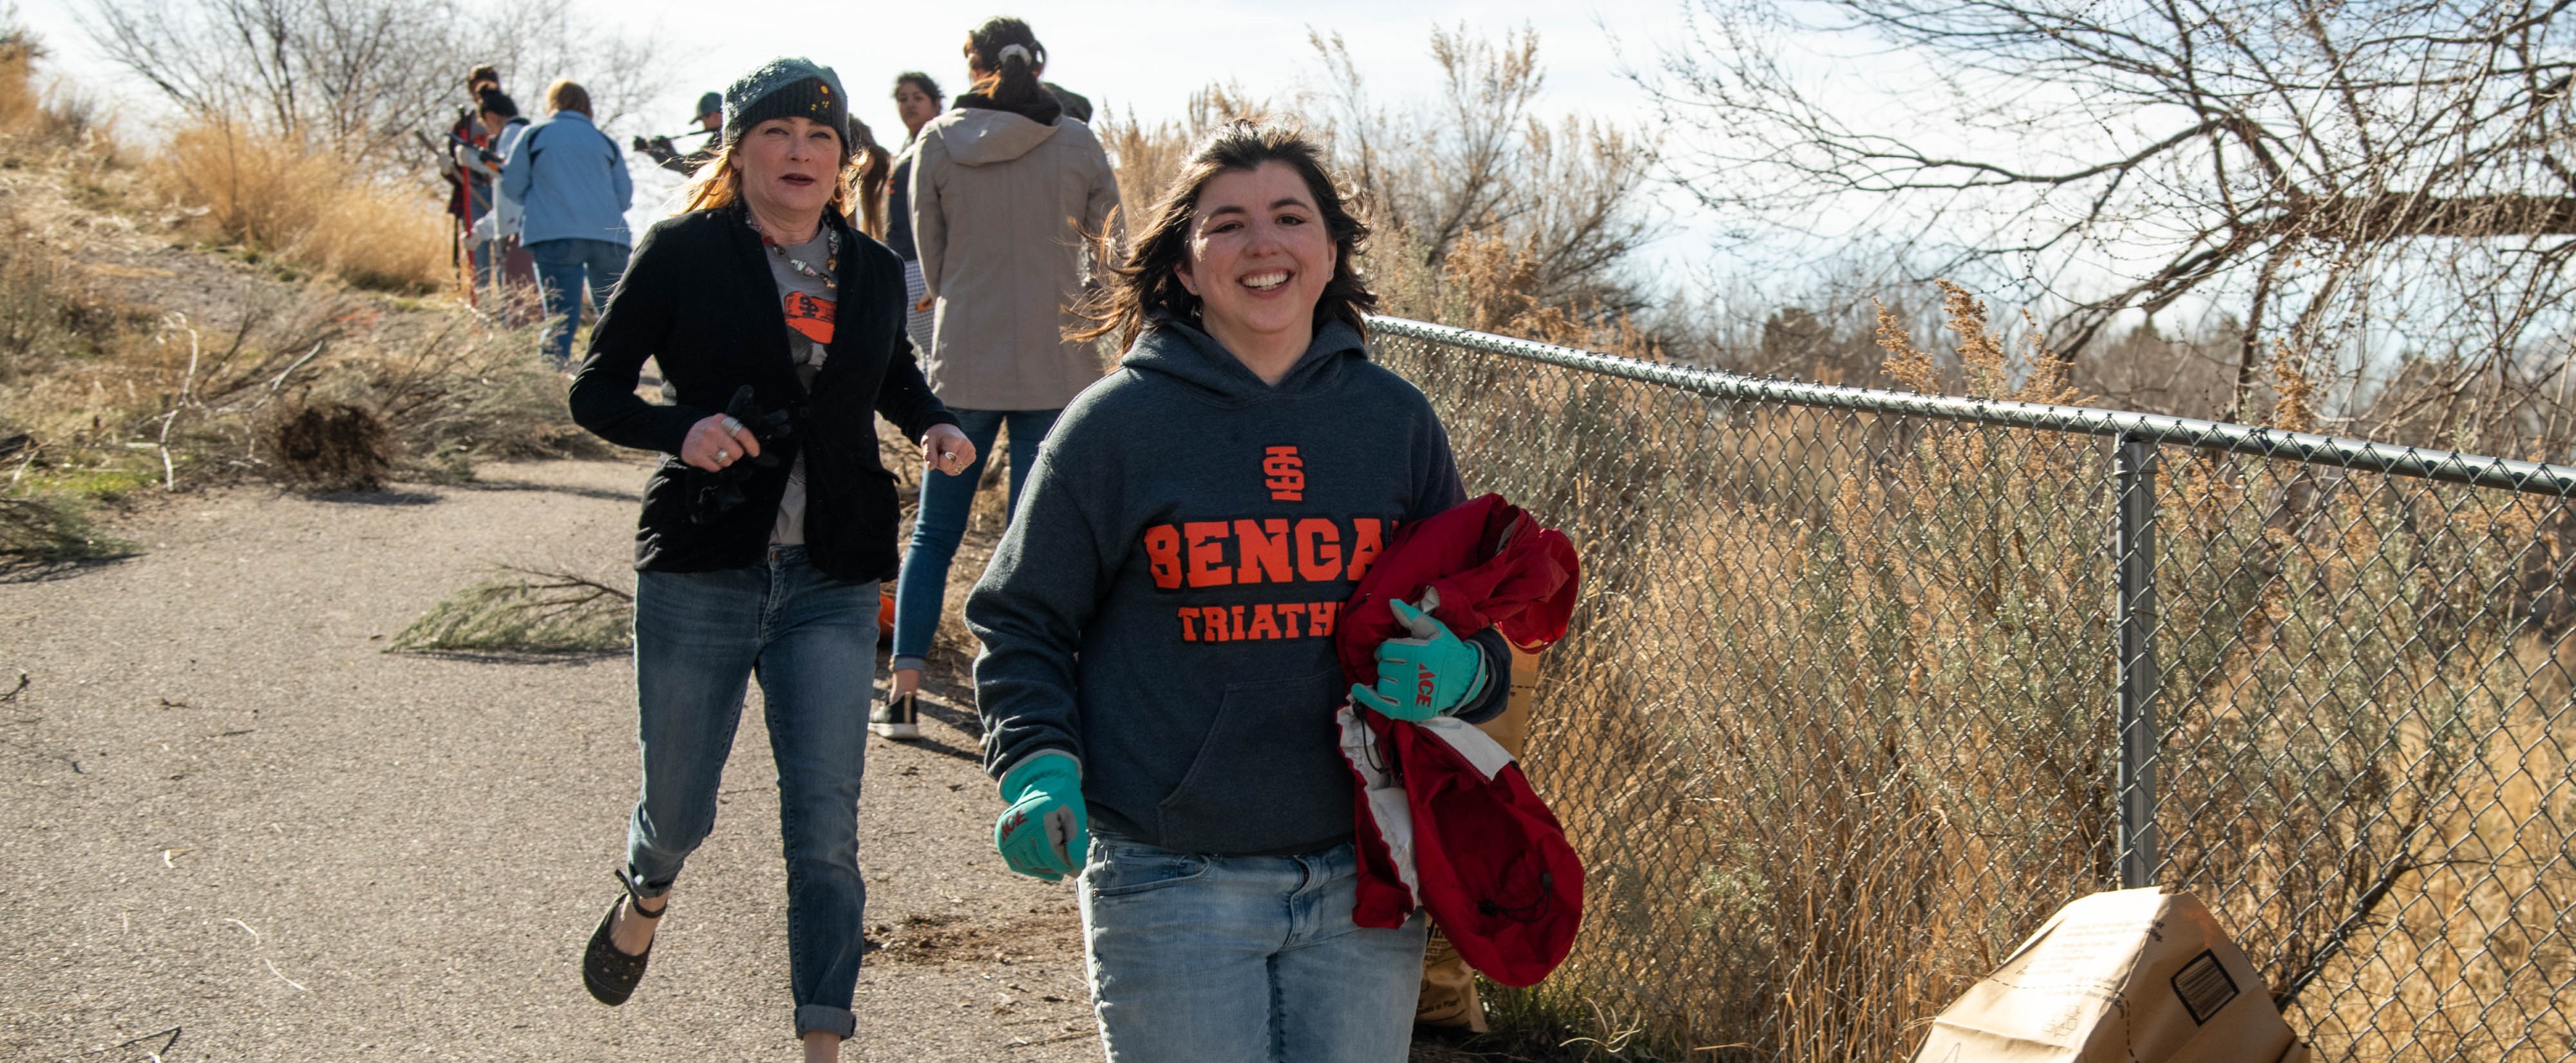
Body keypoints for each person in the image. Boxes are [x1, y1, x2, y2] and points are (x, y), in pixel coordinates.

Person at [965, 120, 1516, 1062]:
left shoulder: (1395, 423)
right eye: (1227, 223)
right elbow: (1021, 615)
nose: (1262, 242)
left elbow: (1476, 623)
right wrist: (1037, 760)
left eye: (1289, 216)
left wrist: (1465, 668)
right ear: (1184, 265)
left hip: (1365, 876)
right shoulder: (1115, 426)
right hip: (1170, 875)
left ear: (1329, 249)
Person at [565, 56, 977, 1063]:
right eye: (778, 135)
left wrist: (935, 424)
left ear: (844, 159)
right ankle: (647, 886)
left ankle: (822, 1040)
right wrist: (682, 428)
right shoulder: (682, 253)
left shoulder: (873, 269)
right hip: (704, 564)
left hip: (830, 577)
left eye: (820, 139)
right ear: (740, 150)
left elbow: (891, 376)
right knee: (680, 810)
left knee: (826, 832)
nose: (800, 153)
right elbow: (597, 388)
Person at [883, 15, 1119, 740]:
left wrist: (967, 294)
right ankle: (1017, 703)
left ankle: (903, 695)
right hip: (1059, 362)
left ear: (973, 64)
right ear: (1037, 64)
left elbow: (930, 253)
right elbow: (1111, 249)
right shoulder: (1078, 141)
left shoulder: (936, 143)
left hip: (964, 361)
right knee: (1033, 540)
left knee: (933, 532)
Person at [502, 79, 634, 368]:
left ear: (553, 103)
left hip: (556, 233)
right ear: (588, 107)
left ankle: (551, 373)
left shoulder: (534, 135)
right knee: (614, 314)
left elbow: (511, 187)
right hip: (610, 237)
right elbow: (624, 198)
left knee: (562, 313)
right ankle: (616, 375)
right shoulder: (605, 142)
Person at [464, 89, 538, 313]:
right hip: (523, 230)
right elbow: (508, 204)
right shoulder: (522, 132)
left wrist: (475, 160)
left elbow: (508, 172)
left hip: (522, 235)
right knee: (521, 306)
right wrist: (480, 231)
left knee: (520, 308)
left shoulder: (512, 132)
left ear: (491, 116)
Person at [886, 71, 943, 358]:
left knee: (938, 355)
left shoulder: (941, 147)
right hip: (902, 263)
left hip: (926, 265)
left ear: (935, 103)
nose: (909, 105)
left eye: (918, 98)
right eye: (902, 99)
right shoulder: (905, 150)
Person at [636, 91, 724, 175]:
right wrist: (669, 150)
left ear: (714, 115)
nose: (704, 126)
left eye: (703, 120)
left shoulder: (723, 139)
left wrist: (654, 151)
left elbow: (691, 165)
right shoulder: (728, 134)